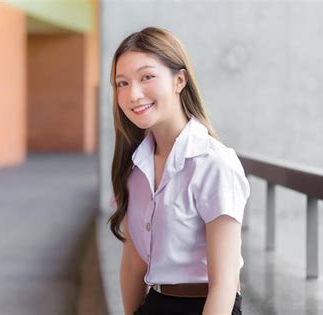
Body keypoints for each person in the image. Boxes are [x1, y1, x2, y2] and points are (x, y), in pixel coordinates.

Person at [107, 27, 250, 315]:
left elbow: (224, 284)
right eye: (122, 83)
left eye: (147, 77)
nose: (133, 94)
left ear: (179, 80)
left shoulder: (214, 163)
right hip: (155, 304)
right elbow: (133, 263)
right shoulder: (134, 167)